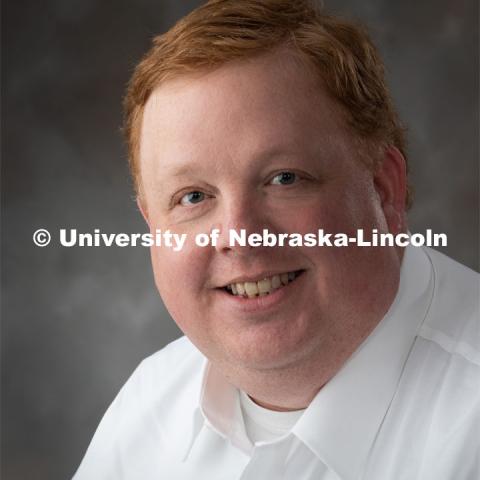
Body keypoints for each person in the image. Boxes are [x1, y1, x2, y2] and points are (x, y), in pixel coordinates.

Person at [73, 1, 480, 479]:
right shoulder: (149, 405)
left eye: (284, 178)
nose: (240, 238)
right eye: (193, 197)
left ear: (384, 190)